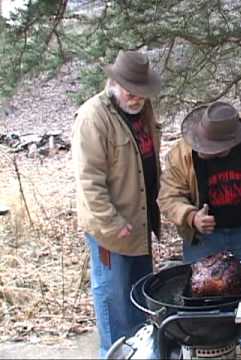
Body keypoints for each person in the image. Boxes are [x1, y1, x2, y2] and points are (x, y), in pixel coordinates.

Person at [157, 100, 241, 357]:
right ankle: (204, 347)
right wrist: (190, 217)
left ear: (231, 142)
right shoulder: (181, 154)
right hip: (204, 239)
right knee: (200, 297)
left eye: (212, 149)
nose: (204, 151)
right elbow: (168, 197)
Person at [71, 50, 162, 358]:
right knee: (114, 301)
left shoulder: (143, 111)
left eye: (141, 92)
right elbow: (89, 181)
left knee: (138, 298)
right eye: (130, 91)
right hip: (112, 230)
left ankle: (139, 353)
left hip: (140, 223)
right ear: (113, 82)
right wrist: (111, 221)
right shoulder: (93, 116)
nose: (136, 98)